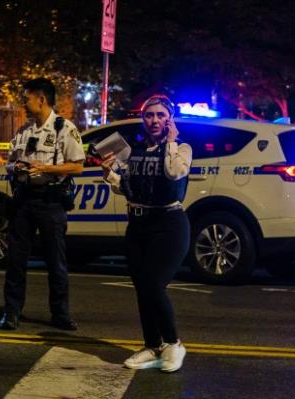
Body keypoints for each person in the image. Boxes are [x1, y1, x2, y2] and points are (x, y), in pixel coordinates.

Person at [101, 94, 191, 372]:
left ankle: (174, 344)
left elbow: (175, 173)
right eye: (149, 115)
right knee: (142, 288)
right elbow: (129, 187)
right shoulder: (136, 150)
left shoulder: (182, 148)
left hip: (169, 225)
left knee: (154, 284)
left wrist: (172, 140)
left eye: (161, 115)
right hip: (138, 225)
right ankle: (152, 346)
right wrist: (109, 174)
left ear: (169, 119)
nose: (154, 120)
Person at [0, 78, 85, 331]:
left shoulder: (64, 129)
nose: (23, 103)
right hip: (24, 200)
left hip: (51, 201)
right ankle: (11, 312)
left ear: (41, 99)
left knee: (55, 260)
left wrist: (46, 168)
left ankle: (60, 314)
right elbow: (10, 161)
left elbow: (78, 166)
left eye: (27, 98)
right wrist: (17, 167)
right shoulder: (24, 131)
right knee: (16, 259)